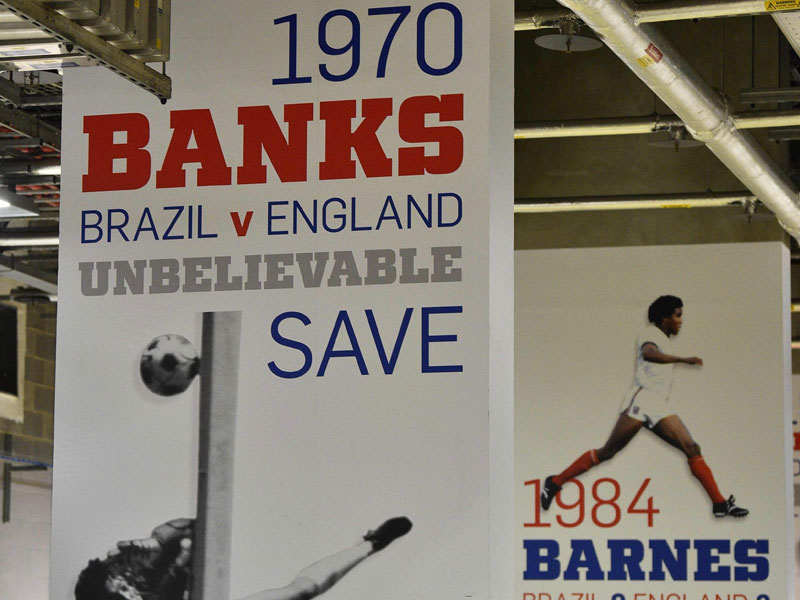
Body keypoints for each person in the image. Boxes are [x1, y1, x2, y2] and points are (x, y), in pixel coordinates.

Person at [540, 295, 748, 519]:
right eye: (678, 315)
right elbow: (649, 353)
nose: (681, 321)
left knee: (692, 448)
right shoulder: (651, 334)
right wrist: (683, 360)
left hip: (656, 403)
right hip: (642, 400)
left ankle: (719, 503)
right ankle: (555, 482)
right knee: (608, 452)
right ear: (664, 317)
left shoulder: (663, 338)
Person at [74, 515, 412, 600]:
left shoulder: (112, 574)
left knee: (299, 593)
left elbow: (200, 526)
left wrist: (162, 541)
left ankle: (371, 544)